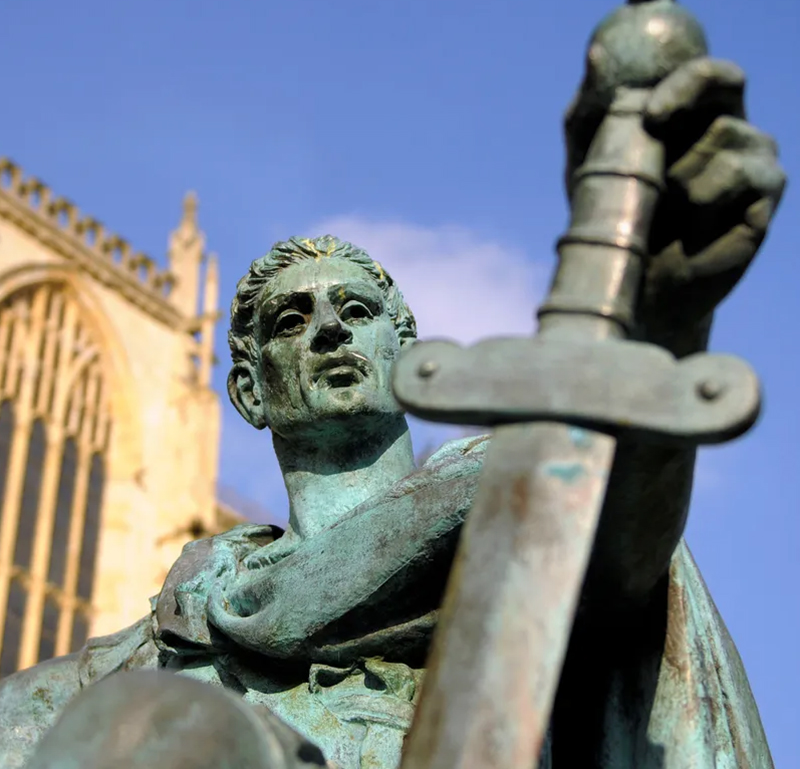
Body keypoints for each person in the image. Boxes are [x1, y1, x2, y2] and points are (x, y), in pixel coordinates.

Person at [0, 55, 785, 769]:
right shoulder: (173, 632)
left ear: (411, 360)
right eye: (290, 320)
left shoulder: (510, 513)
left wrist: (663, 320)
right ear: (247, 393)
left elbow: (619, 534)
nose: (330, 329)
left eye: (355, 310)